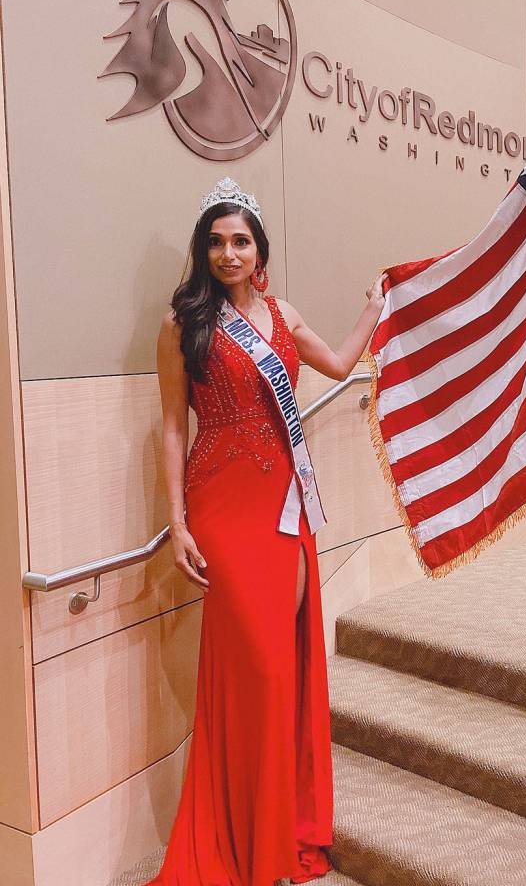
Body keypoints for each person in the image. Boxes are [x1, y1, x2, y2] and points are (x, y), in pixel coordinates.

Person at [150, 176, 386, 885]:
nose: (229, 253)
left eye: (240, 240)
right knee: (254, 661)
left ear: (260, 250)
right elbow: (169, 426)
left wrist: (374, 310)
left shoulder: (283, 314)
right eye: (217, 242)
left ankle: (276, 832)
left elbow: (341, 365)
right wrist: (176, 519)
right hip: (221, 503)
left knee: (281, 666)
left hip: (285, 503)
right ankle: (246, 839)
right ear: (204, 250)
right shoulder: (182, 325)